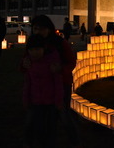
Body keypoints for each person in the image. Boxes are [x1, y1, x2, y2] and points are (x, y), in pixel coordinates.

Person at [26, 15, 81, 147]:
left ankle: (75, 141)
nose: (39, 32)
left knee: (63, 113)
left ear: (49, 29)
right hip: (41, 87)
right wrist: (24, 64)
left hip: (62, 83)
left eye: (42, 29)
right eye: (36, 29)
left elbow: (71, 61)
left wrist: (61, 69)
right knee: (44, 117)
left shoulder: (59, 43)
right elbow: (25, 62)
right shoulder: (33, 41)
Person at [23, 34, 63, 148]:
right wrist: (26, 99)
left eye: (37, 49)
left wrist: (58, 101)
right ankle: (33, 142)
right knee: (35, 124)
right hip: (35, 101)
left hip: (50, 102)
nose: (35, 52)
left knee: (51, 126)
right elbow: (27, 83)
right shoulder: (29, 64)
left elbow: (58, 83)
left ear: (43, 49)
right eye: (31, 50)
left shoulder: (52, 63)